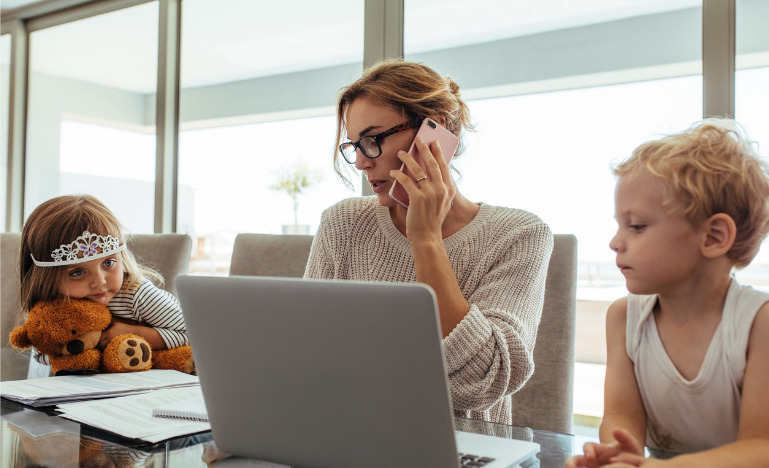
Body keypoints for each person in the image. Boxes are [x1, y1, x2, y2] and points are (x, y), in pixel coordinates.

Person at [304, 59, 554, 425]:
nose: (360, 162)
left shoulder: (519, 234)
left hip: (459, 447)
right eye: (354, 145)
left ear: (435, 129)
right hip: (349, 434)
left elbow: (480, 383)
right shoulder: (344, 223)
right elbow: (308, 354)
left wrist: (426, 240)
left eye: (372, 141)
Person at [566, 119, 769, 467]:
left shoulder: (758, 324)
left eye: (637, 226)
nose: (615, 242)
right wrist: (620, 451)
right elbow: (620, 416)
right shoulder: (624, 317)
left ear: (714, 236)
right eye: (618, 225)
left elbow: (761, 447)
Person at [19, 195, 189, 369]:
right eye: (77, 272)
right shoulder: (52, 308)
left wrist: (134, 333)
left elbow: (194, 333)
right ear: (45, 278)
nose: (100, 281)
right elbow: (40, 354)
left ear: (121, 257)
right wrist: (78, 351)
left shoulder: (138, 295)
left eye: (108, 263)